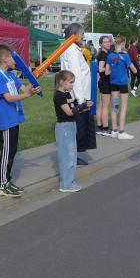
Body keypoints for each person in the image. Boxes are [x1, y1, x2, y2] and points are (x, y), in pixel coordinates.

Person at [0, 44, 41, 197]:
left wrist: (34, 84)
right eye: (14, 58)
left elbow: (25, 90)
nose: (16, 61)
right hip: (6, 120)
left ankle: (7, 180)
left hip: (14, 119)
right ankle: (1, 184)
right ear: (4, 59)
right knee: (6, 152)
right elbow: (8, 98)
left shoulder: (11, 75)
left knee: (12, 151)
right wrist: (27, 95)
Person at [60, 23, 94, 164]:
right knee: (77, 130)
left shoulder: (69, 48)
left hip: (76, 95)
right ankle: (71, 158)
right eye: (82, 35)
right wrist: (81, 101)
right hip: (77, 97)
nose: (83, 37)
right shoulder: (72, 50)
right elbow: (75, 76)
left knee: (75, 130)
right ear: (75, 35)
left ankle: (72, 157)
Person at [53, 70, 85, 193]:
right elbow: (69, 112)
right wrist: (82, 107)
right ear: (62, 82)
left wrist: (84, 107)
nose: (72, 85)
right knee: (67, 156)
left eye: (73, 82)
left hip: (71, 125)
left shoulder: (67, 94)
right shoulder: (59, 95)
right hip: (64, 127)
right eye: (71, 82)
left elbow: (74, 108)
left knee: (72, 155)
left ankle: (70, 180)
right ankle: (65, 184)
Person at [106, 36, 138, 139]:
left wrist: (114, 69)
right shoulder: (125, 56)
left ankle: (114, 130)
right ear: (123, 43)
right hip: (123, 83)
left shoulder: (110, 56)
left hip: (113, 83)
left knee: (115, 106)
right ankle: (121, 132)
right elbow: (134, 70)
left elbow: (106, 72)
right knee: (123, 107)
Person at [95, 35, 114, 135]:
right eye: (105, 42)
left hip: (103, 81)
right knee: (105, 106)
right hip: (105, 82)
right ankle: (105, 129)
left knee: (101, 105)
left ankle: (99, 127)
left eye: (109, 41)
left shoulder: (105, 53)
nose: (108, 43)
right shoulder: (103, 55)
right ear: (101, 44)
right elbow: (100, 68)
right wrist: (112, 69)